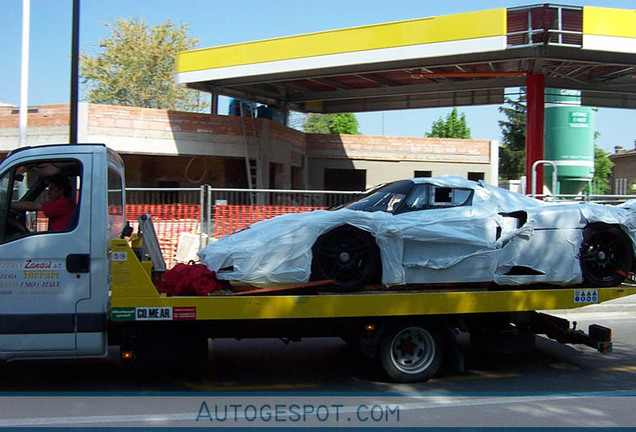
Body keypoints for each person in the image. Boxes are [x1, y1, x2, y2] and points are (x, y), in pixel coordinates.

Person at [12, 174, 76, 232]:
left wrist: (8, 205)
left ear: (61, 191)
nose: (48, 193)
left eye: (52, 189)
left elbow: (31, 206)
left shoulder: (63, 203)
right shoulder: (67, 203)